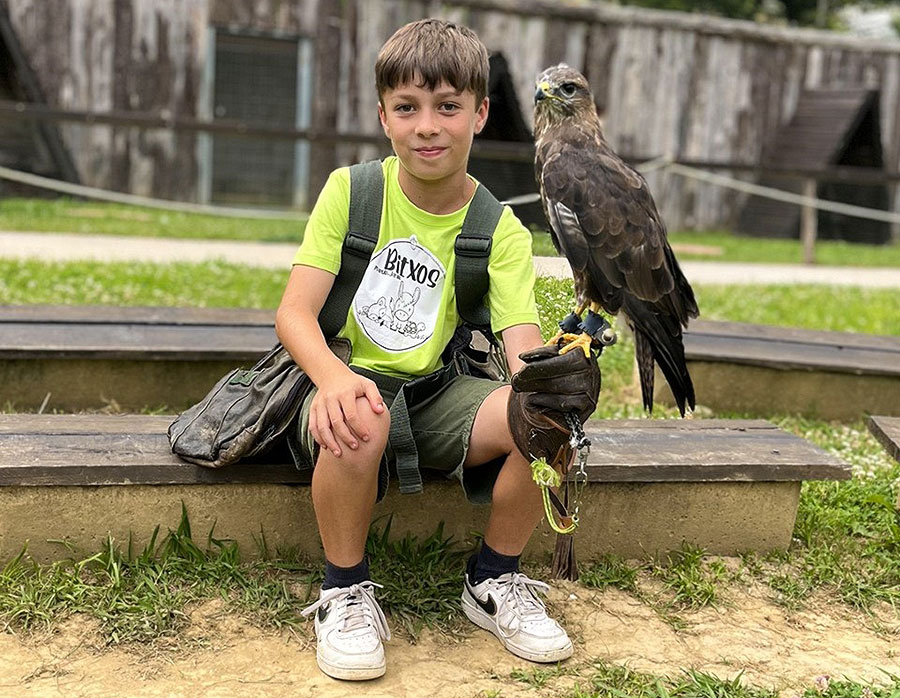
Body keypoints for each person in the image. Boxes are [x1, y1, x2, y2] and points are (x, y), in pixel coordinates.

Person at [275, 18, 594, 681]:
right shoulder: (352, 190)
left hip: (440, 392)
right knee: (362, 413)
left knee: (548, 417)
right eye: (408, 107)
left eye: (448, 106)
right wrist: (332, 378)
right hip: (345, 381)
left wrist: (556, 381)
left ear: (479, 114)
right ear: (385, 117)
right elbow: (294, 315)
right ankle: (345, 589)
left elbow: (522, 347)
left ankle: (493, 578)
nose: (428, 125)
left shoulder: (500, 229)